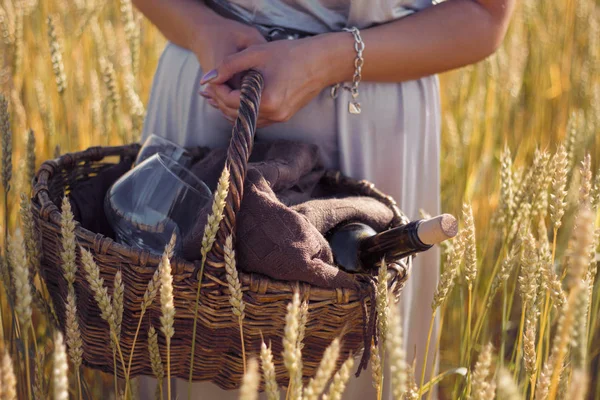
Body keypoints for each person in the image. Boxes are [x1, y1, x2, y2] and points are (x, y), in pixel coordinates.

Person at [132, 0, 515, 398]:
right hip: (212, 101)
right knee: (195, 361)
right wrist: (201, 29)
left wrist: (327, 60)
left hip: (370, 130)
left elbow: (484, 15)